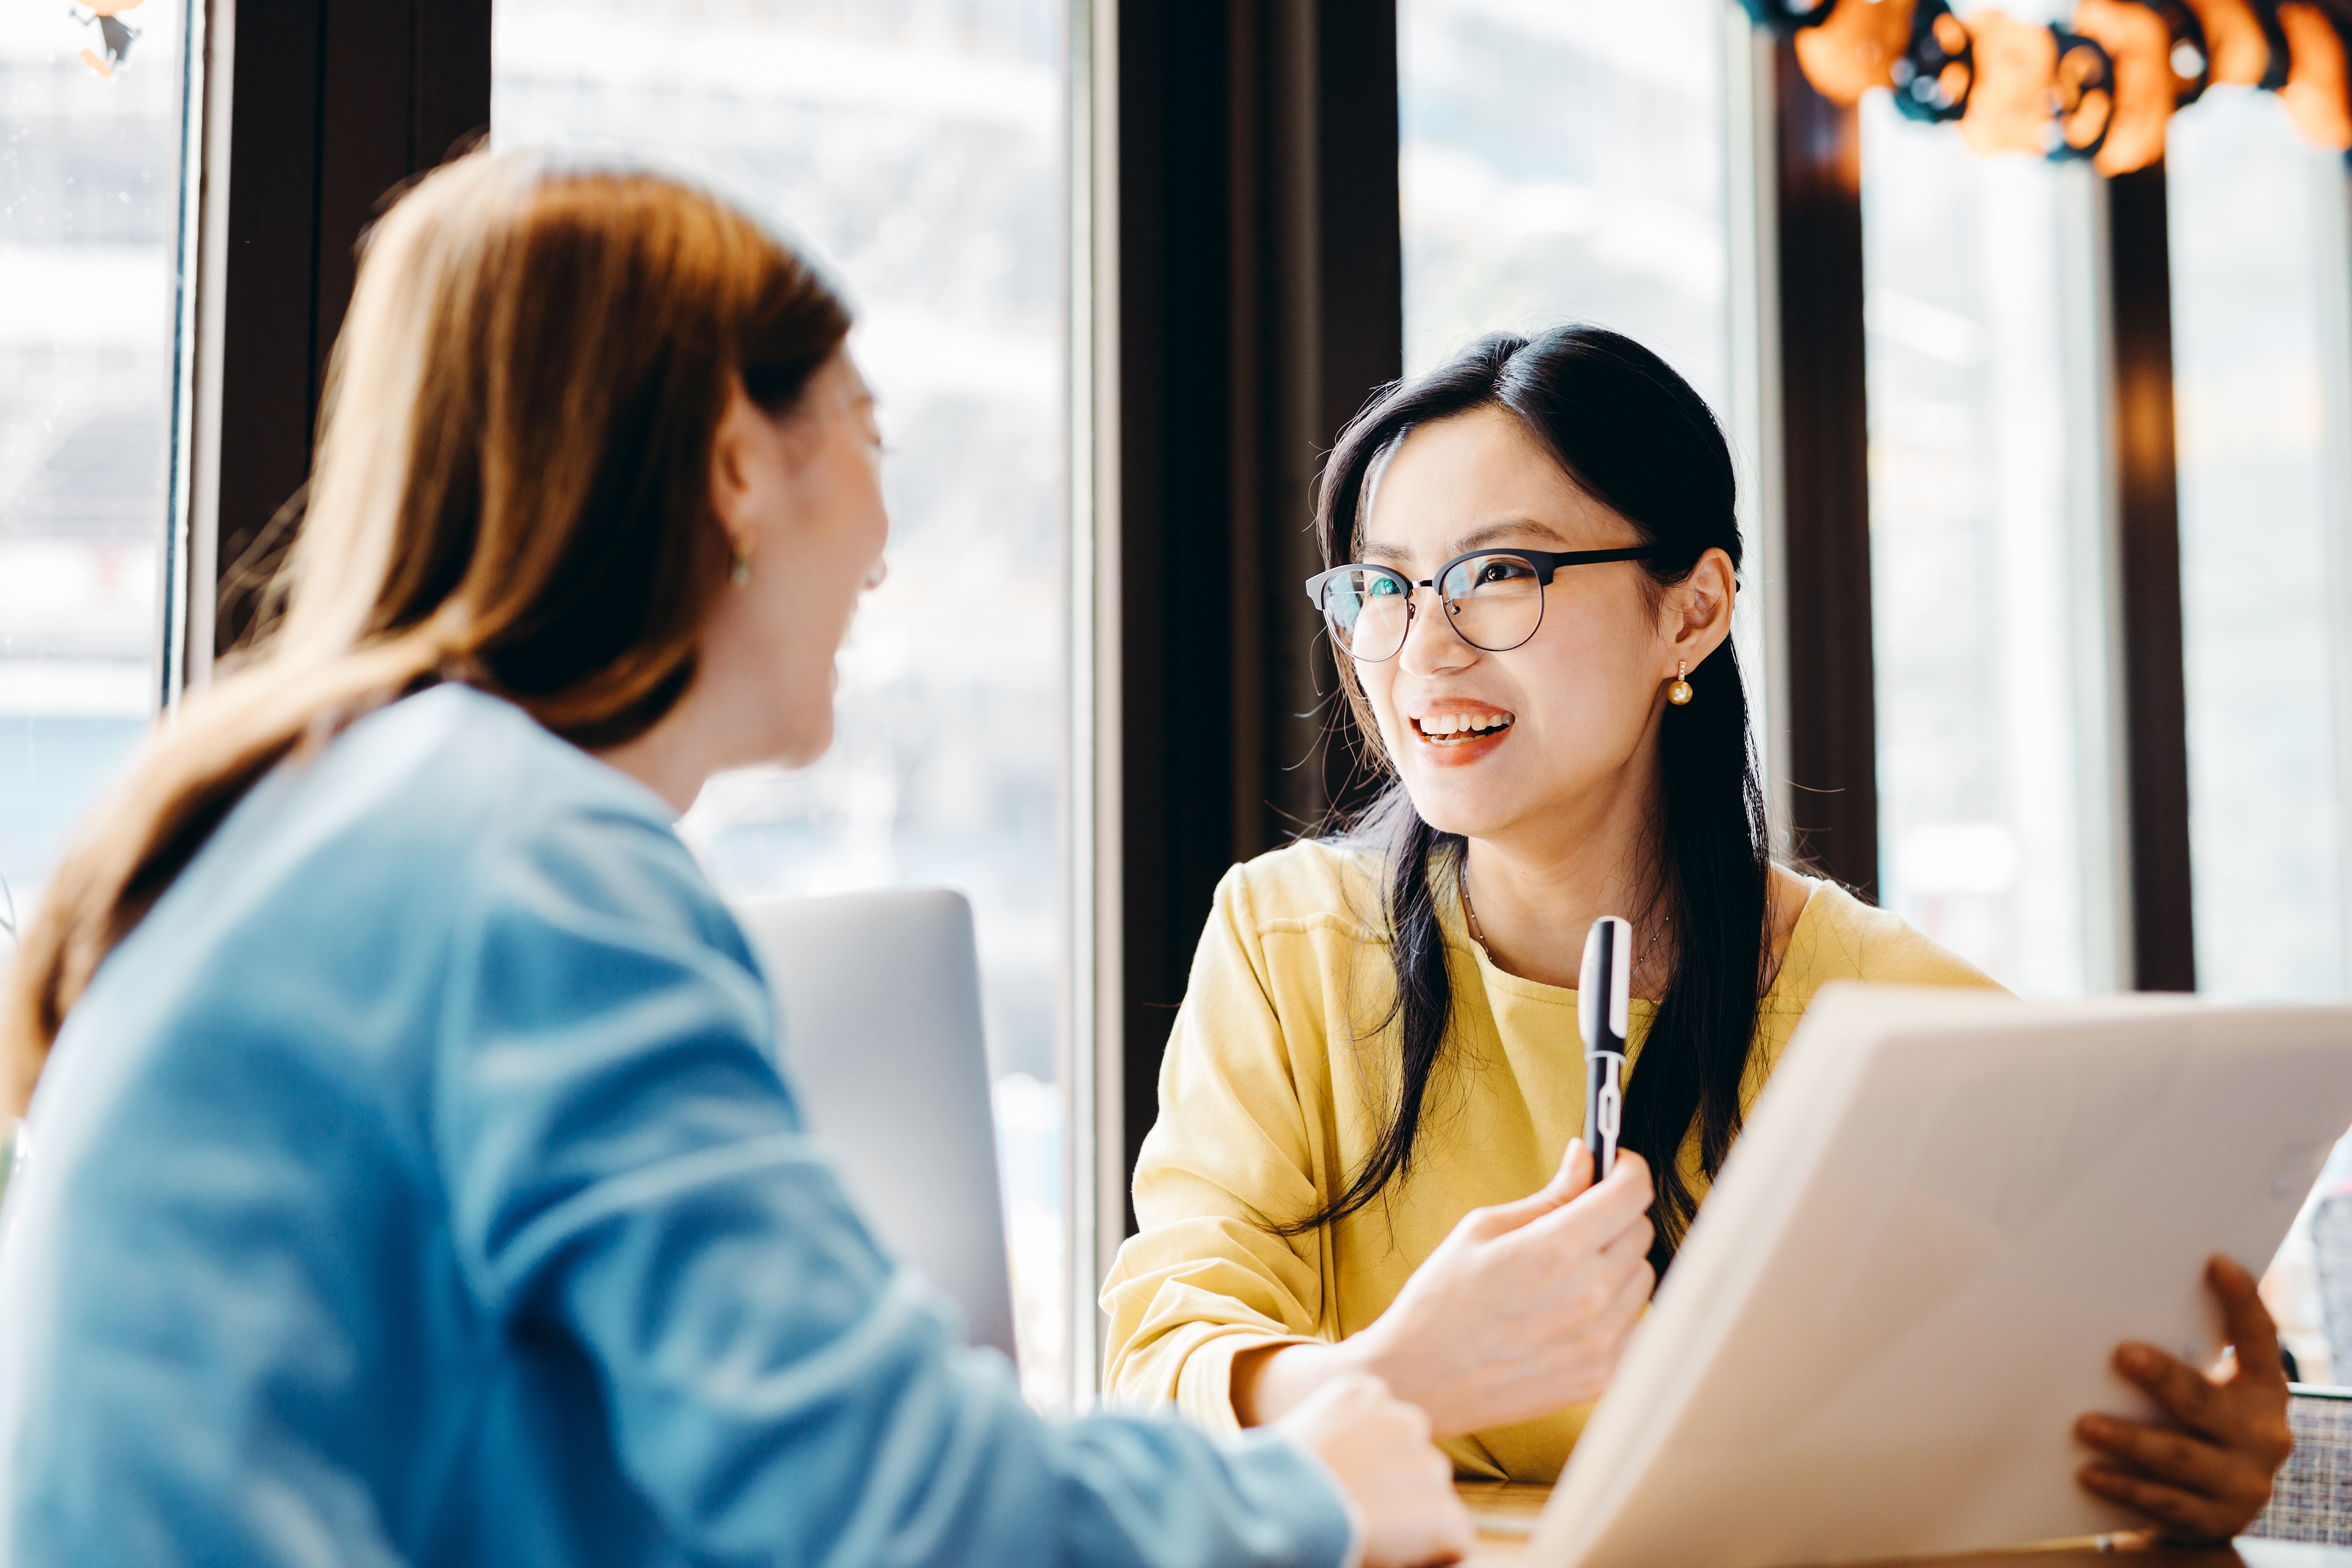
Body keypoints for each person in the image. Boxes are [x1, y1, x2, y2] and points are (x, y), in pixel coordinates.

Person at [0, 151, 1476, 1568]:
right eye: (865, 432)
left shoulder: (360, 815)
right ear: (732, 467)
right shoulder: (532, 867)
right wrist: (1294, 1494)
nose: (886, 546)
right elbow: (895, 1511)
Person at [1101, 326, 2293, 1540]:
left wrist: (2204, 1461)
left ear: (1692, 612)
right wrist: (1406, 1368)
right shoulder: (1288, 943)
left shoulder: (1900, 1020)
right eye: (1383, 587)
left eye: (1497, 574)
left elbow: (2090, 1416)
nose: (1425, 648)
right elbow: (1160, 1368)